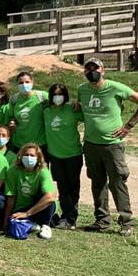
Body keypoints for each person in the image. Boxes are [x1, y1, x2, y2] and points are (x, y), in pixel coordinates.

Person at [76, 57, 138, 236]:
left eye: (95, 68)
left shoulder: (116, 88)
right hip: (91, 144)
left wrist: (129, 126)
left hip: (112, 145)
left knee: (117, 182)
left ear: (103, 70)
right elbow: (81, 107)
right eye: (88, 69)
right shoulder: (82, 89)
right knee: (97, 182)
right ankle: (102, 220)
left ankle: (126, 222)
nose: (92, 72)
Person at [44, 82, 84, 230]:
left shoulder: (72, 109)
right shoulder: (46, 111)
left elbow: (90, 118)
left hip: (73, 154)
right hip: (55, 155)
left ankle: (71, 218)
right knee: (62, 187)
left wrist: (80, 104)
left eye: (60, 94)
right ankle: (65, 216)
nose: (57, 97)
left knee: (73, 187)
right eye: (54, 94)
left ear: (65, 96)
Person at [2, 143, 57, 235]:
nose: (28, 158)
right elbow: (11, 196)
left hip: (38, 206)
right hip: (21, 207)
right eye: (26, 155)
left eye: (32, 155)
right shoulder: (13, 170)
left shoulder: (42, 171)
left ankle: (45, 225)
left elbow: (50, 197)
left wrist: (27, 213)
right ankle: (32, 224)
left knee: (46, 197)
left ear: (38, 158)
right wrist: (6, 220)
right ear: (20, 156)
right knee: (15, 221)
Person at [8, 71, 48, 155]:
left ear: (32, 82)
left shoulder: (42, 96)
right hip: (19, 144)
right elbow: (12, 117)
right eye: (21, 83)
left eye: (27, 82)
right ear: (17, 85)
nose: (24, 84)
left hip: (39, 144)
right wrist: (12, 122)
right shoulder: (14, 100)